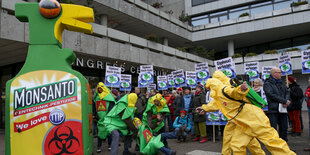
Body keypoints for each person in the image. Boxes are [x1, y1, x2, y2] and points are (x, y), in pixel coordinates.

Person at [198, 70, 295, 155]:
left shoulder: (225, 89)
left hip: (253, 117)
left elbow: (235, 93)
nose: (209, 90)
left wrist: (241, 89)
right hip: (241, 121)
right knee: (237, 145)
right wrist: (204, 108)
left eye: (209, 87)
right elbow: (215, 104)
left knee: (271, 141)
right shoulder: (220, 93)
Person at [263, 67, 290, 141]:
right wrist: (284, 101)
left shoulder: (281, 83)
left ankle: (284, 145)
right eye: (279, 72)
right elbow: (271, 95)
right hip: (273, 110)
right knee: (273, 129)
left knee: (284, 128)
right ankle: (275, 145)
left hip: (283, 109)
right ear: (274, 74)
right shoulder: (267, 84)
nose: (281, 74)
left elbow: (287, 92)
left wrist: (287, 100)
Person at [94, 82, 116, 153]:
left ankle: (109, 145)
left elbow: (112, 105)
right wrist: (95, 114)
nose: (100, 90)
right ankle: (98, 147)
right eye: (98, 89)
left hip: (107, 117)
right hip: (100, 118)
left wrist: (109, 115)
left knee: (108, 132)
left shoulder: (109, 96)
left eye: (101, 88)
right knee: (100, 132)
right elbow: (94, 106)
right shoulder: (97, 96)